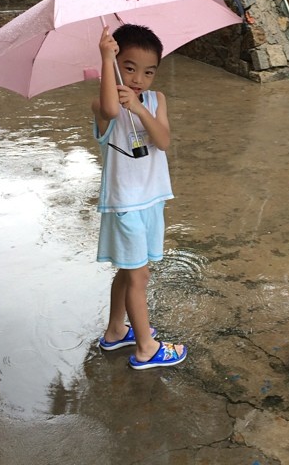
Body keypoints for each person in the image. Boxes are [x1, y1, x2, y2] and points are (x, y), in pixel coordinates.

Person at [93, 23, 187, 370]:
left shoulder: (155, 99)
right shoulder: (104, 104)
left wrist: (141, 108)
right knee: (139, 276)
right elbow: (111, 109)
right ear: (117, 63)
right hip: (125, 205)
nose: (138, 79)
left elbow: (162, 141)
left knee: (128, 271)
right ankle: (146, 347)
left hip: (151, 201)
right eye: (129, 67)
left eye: (148, 72)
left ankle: (117, 329)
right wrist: (106, 58)